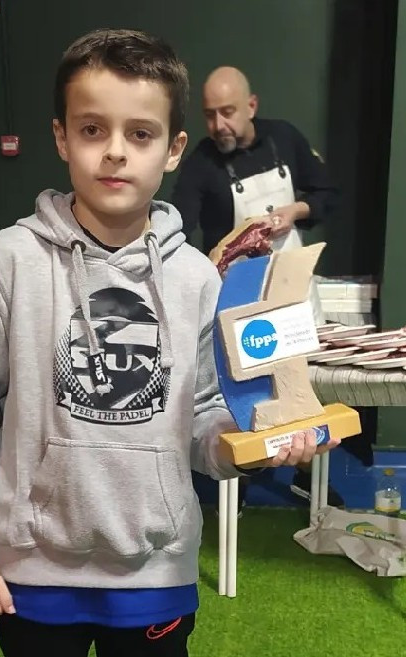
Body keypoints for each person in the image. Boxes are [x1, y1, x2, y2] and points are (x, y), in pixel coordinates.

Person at [0, 31, 339, 657]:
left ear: (173, 150)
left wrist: (254, 445)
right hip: (34, 574)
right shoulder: (8, 261)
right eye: (93, 129)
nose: (115, 152)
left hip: (156, 575)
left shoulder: (197, 278)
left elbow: (204, 417)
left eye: (140, 134)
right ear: (61, 137)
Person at [172, 66, 343, 511]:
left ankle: (309, 480)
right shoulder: (201, 165)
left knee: (300, 388)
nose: (218, 125)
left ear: (251, 106)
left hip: (293, 293)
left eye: (228, 112)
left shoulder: (284, 138)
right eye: (210, 115)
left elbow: (328, 192)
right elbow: (178, 229)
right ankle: (241, 482)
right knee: (246, 395)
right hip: (240, 302)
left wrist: (295, 211)